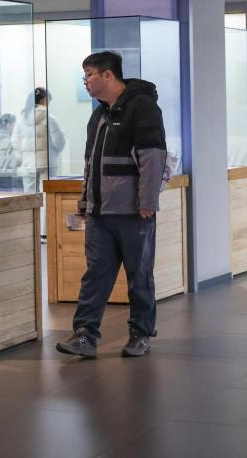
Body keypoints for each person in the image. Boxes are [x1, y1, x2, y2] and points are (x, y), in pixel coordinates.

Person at [56, 52, 167, 359]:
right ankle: (84, 334)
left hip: (133, 212)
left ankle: (141, 333)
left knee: (139, 274)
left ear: (108, 75)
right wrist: (85, 202)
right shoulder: (99, 115)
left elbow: (153, 155)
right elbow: (90, 163)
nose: (85, 82)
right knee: (96, 274)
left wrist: (147, 201)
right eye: (84, 76)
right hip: (99, 213)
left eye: (89, 75)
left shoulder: (142, 106)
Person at [13, 87, 67, 193]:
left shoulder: (21, 120)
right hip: (47, 163)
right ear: (44, 100)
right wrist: (56, 151)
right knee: (47, 195)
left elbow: (15, 142)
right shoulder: (49, 118)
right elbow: (59, 140)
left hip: (28, 164)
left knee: (30, 196)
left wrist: (22, 157)